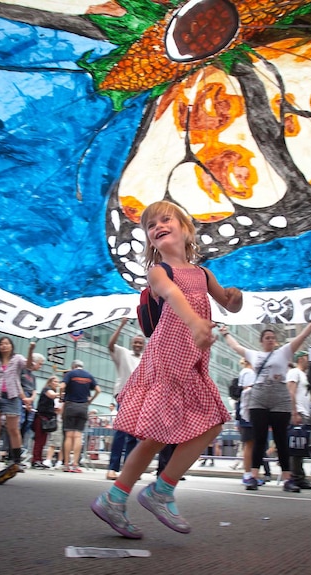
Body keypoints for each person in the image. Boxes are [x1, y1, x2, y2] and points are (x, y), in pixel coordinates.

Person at [91, 200, 242, 539]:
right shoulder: (160, 271)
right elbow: (172, 295)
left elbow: (227, 302)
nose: (157, 225)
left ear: (187, 229)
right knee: (157, 435)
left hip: (192, 360)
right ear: (149, 240)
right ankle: (132, 496)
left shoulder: (203, 273)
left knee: (211, 422)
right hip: (168, 357)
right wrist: (194, 323)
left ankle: (144, 493)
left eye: (165, 219)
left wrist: (235, 297)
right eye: (150, 225)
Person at [220, 322, 311, 493]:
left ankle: (288, 479)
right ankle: (254, 477)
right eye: (267, 338)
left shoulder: (284, 352)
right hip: (259, 400)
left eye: (273, 338)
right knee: (259, 438)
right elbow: (236, 347)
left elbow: (301, 337)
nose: (271, 340)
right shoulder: (255, 355)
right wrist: (225, 333)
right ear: (261, 341)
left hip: (281, 400)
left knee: (281, 439)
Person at [0, 336, 33, 471]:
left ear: (11, 346)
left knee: (14, 429)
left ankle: (16, 461)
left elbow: (29, 366)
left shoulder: (17, 359)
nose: (4, 346)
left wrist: (30, 350)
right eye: (1, 344)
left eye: (7, 343)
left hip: (12, 397)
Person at [106, 318, 144, 480]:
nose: (137, 345)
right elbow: (110, 345)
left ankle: (128, 470)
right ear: (131, 343)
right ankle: (112, 468)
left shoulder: (146, 358)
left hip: (140, 398)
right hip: (124, 395)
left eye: (140, 343)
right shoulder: (122, 353)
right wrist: (121, 325)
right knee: (121, 431)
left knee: (134, 435)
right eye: (135, 342)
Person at [60, 359, 100, 472]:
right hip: (83, 407)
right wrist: (90, 400)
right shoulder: (89, 375)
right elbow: (98, 389)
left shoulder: (70, 374)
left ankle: (66, 464)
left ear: (73, 366)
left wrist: (60, 397)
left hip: (71, 405)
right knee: (78, 436)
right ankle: (75, 464)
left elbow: (62, 386)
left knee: (68, 435)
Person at [286, 350, 311, 489]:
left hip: (304, 413)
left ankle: (300, 477)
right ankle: (294, 477)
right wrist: (294, 412)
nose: (308, 360)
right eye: (306, 357)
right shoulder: (294, 372)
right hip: (297, 412)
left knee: (301, 447)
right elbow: (290, 392)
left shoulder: (304, 375)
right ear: (300, 359)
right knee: (295, 446)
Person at [30, 376, 59, 469]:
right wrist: (62, 392)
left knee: (43, 440)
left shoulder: (51, 392)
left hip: (46, 418)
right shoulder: (47, 389)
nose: (56, 383)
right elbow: (51, 395)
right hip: (41, 417)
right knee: (39, 440)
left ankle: (38, 459)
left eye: (57, 382)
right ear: (50, 382)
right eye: (55, 381)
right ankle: (35, 460)